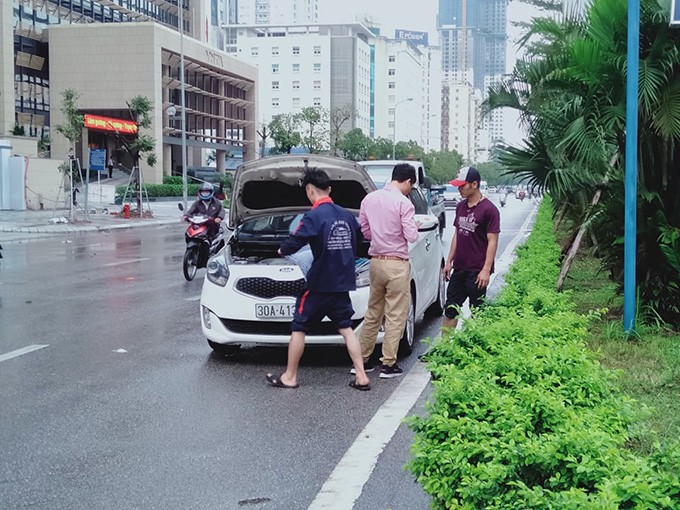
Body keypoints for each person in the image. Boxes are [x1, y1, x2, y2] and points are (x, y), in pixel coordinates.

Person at [266, 169, 371, 391]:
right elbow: (361, 241)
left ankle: (290, 376)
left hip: (319, 284)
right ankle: (361, 375)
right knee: (346, 328)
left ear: (309, 190)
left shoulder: (313, 216)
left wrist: (282, 249)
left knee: (299, 326)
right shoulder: (345, 215)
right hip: (342, 283)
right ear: (330, 189)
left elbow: (295, 241)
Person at [356, 163, 419, 379]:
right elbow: (411, 236)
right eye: (411, 186)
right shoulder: (404, 203)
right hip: (396, 263)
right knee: (395, 314)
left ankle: (362, 360)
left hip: (376, 262)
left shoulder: (369, 199)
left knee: (373, 312)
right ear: (408, 181)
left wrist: (380, 237)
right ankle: (388, 364)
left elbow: (364, 230)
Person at [441, 166, 500, 332]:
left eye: (462, 185)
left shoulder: (489, 210)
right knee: (451, 309)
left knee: (478, 312)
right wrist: (449, 261)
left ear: (474, 184)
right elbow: (457, 235)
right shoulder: (460, 207)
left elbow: (492, 241)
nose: (459, 189)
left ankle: (475, 348)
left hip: (477, 271)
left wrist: (486, 270)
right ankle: (444, 350)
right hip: (459, 269)